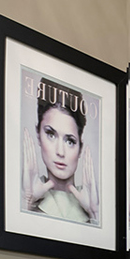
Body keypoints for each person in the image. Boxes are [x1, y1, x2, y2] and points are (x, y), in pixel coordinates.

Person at [23, 77, 97, 225]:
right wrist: (27, 202)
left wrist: (95, 214)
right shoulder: (24, 198)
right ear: (38, 135)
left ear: (80, 148)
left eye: (70, 141)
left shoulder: (94, 204)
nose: (60, 152)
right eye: (51, 135)